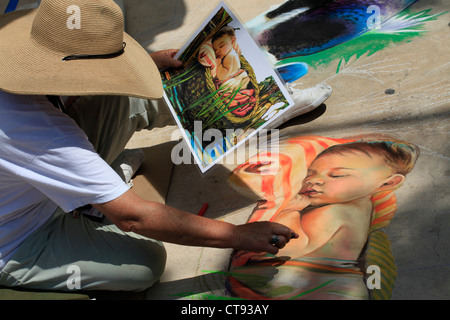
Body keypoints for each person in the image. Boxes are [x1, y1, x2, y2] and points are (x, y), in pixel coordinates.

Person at [0, 0, 298, 293]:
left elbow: (72, 93)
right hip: (18, 241)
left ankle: (94, 188)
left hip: (30, 182)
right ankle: (94, 194)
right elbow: (134, 217)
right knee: (145, 264)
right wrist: (236, 235)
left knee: (139, 90)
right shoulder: (39, 131)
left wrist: (151, 67)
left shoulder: (19, 65)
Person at [273, 140, 418, 260]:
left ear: (387, 183)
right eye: (310, 173)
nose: (313, 180)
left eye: (336, 175)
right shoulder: (360, 210)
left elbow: (286, 250)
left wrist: (289, 212)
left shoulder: (334, 212)